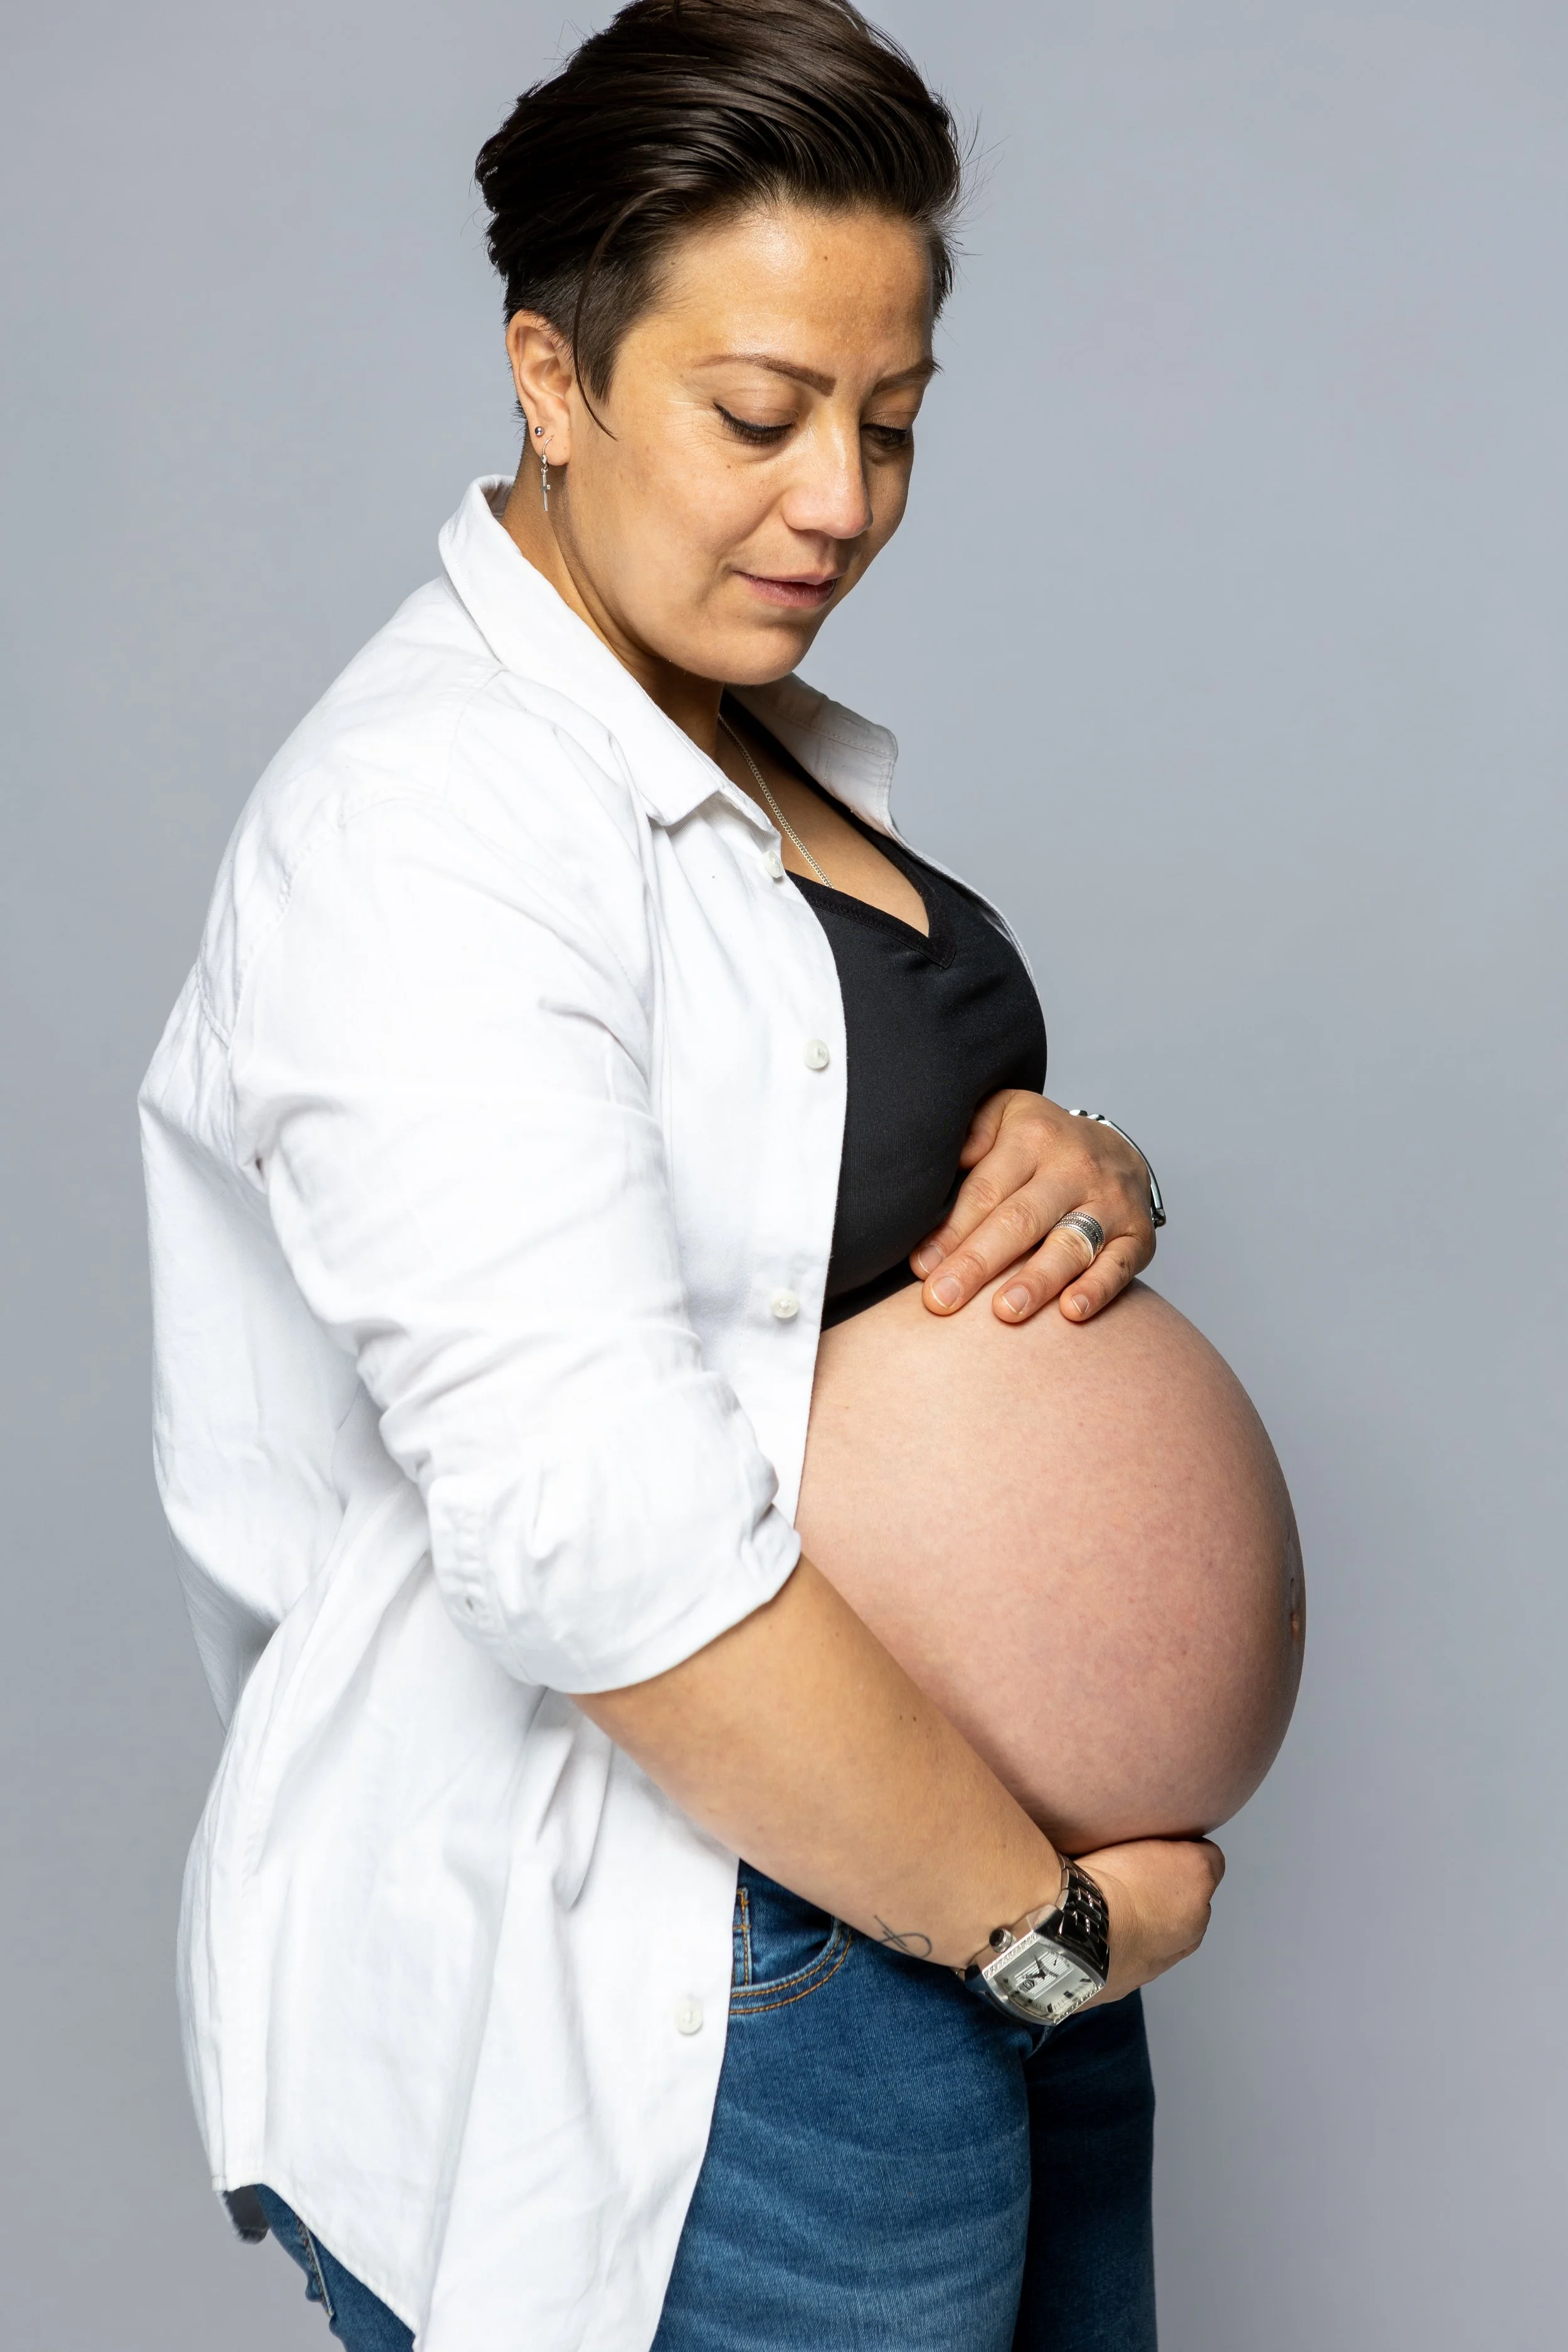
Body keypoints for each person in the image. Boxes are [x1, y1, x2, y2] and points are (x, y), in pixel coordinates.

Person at [141, 6, 1290, 2346]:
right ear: (549, 377)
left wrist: (1078, 1173)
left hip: (937, 1895)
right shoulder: (432, 828)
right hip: (720, 1975)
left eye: (891, 421)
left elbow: (815, 1216)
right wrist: (1040, 1928)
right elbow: (595, 1537)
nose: (840, 500)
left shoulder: (732, 747)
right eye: (758, 415)